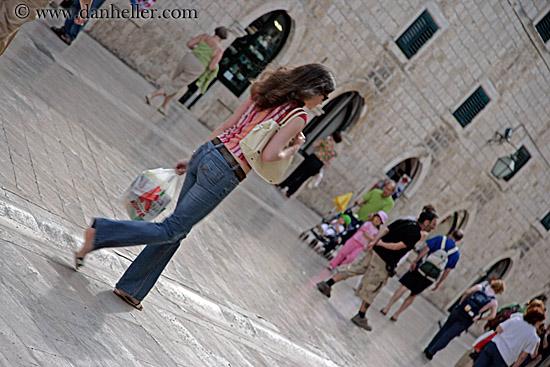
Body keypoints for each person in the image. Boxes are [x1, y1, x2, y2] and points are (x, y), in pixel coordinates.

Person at [74, 63, 336, 310]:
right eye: (323, 98)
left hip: (208, 152)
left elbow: (228, 125)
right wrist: (294, 148)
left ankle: (133, 288)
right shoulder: (298, 114)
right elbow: (269, 156)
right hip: (226, 171)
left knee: (178, 229)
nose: (320, 104)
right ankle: (101, 234)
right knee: (173, 228)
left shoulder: (265, 89)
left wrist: (194, 157)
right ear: (315, 89)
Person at [316, 209, 438, 331]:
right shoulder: (415, 234)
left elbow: (385, 230)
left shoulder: (404, 222)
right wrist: (380, 244)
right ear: (426, 222)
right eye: (433, 224)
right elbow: (397, 246)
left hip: (375, 253)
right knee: (373, 287)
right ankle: (361, 316)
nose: (434, 227)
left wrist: (375, 242)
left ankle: (327, 284)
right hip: (383, 261)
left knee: (355, 268)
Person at [381, 229, 463, 321]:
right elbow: (447, 270)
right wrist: (439, 283)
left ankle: (386, 308)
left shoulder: (440, 239)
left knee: (404, 287)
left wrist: (415, 261)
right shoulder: (456, 253)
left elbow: (426, 249)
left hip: (421, 268)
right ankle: (396, 315)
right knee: (413, 294)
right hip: (430, 277)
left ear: (451, 233)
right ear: (459, 240)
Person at [146, 27, 228, 115]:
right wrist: (216, 67)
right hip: (198, 66)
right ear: (223, 38)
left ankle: (164, 106)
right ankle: (152, 95)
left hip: (189, 57)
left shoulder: (204, 36)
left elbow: (189, 44)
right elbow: (212, 67)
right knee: (176, 84)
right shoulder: (219, 50)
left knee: (176, 83)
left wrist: (196, 50)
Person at [424, 279, 506, 360]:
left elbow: (467, 292)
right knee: (449, 335)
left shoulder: (481, 287)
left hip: (459, 310)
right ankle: (431, 351)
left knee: (444, 329)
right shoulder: (493, 301)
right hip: (468, 318)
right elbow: (492, 316)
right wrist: (479, 318)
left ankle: (429, 347)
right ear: (499, 291)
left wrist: (461, 302)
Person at [277, 131, 342, 197]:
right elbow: (329, 162)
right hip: (319, 164)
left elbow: (314, 144)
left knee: (298, 172)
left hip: (313, 158)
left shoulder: (326, 141)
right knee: (304, 178)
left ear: (332, 136)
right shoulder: (335, 151)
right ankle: (290, 192)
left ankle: (283, 185)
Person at [472, 308, 545, 367]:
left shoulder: (516, 319)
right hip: (505, 358)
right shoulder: (534, 338)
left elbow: (499, 329)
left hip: (494, 345)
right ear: (538, 321)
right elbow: (523, 356)